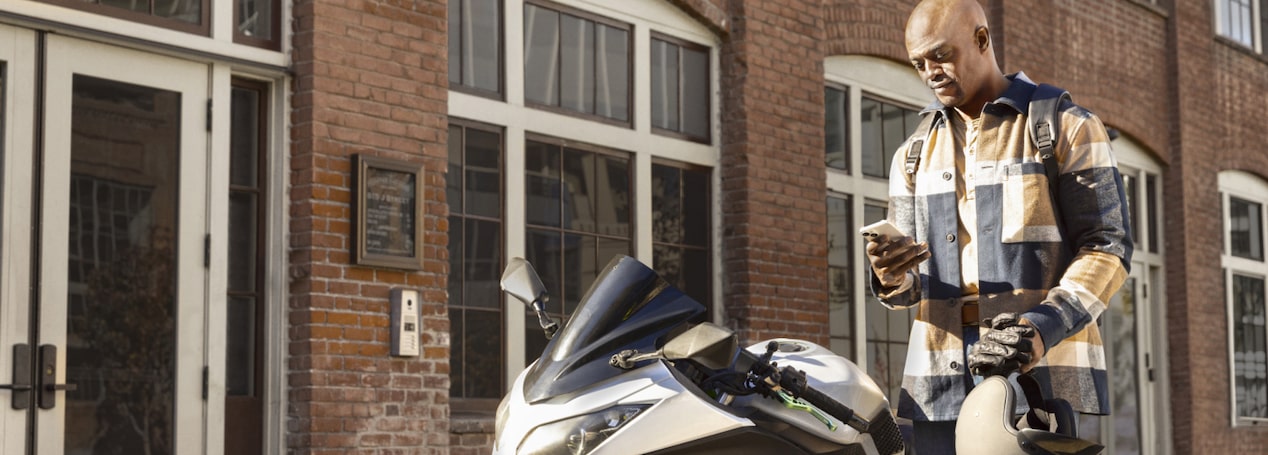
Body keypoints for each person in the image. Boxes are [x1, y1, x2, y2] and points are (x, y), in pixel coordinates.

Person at [863, 0, 1133, 453]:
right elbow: (911, 290)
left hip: (1034, 370)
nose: (930, 71)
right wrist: (890, 274)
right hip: (937, 381)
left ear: (982, 39)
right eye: (919, 63)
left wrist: (1042, 329)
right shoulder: (911, 154)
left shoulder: (1065, 126)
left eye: (941, 55)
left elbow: (1108, 249)